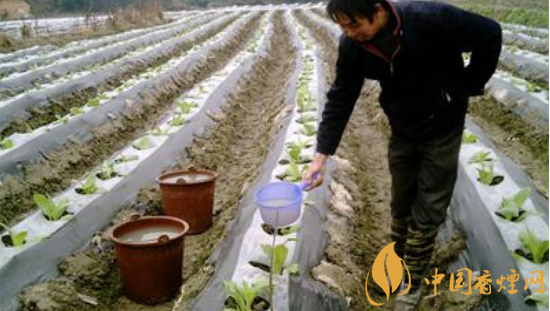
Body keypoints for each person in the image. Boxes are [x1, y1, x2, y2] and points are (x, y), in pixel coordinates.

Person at [302, 0, 502, 309]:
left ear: (379, 10)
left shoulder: (430, 19)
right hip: (402, 122)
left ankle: (414, 277)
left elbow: (490, 33)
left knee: (431, 199)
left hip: (442, 121)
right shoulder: (353, 46)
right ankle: (397, 257)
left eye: (354, 24)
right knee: (402, 195)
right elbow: (341, 96)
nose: (348, 33)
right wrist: (321, 156)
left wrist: (467, 85)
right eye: (342, 26)